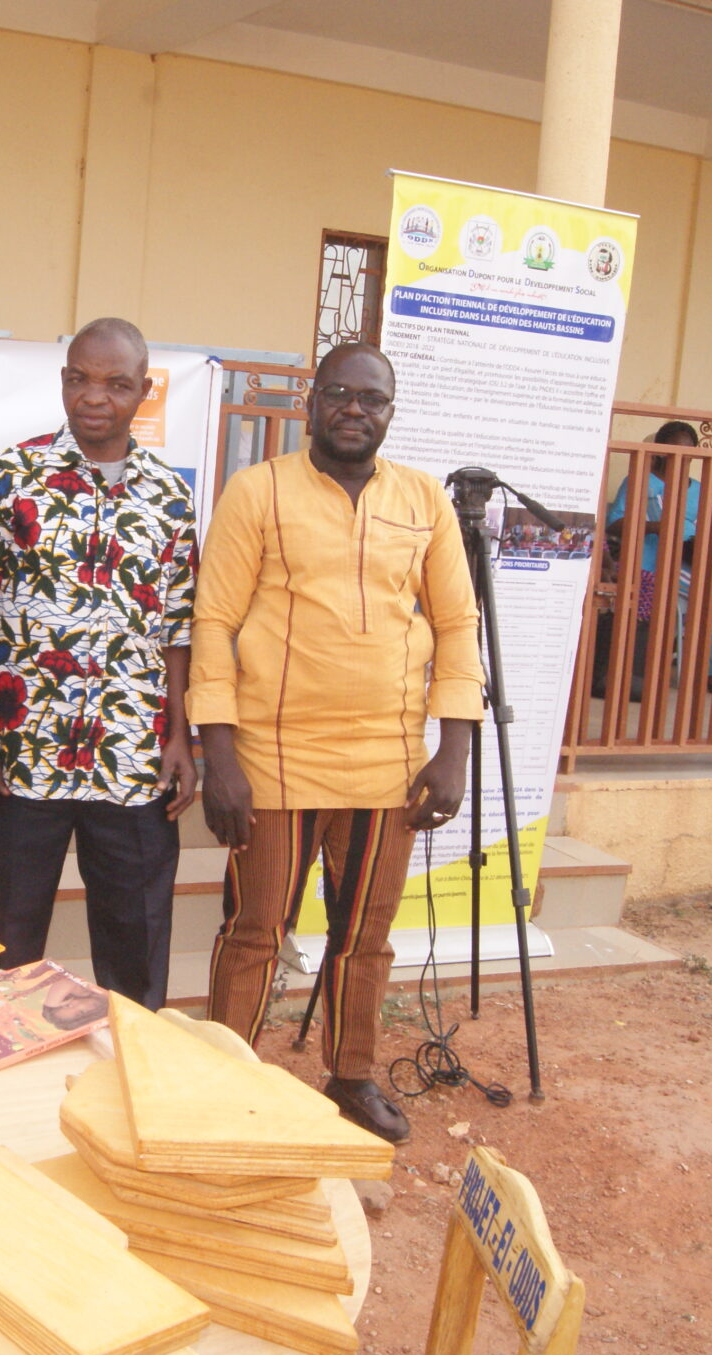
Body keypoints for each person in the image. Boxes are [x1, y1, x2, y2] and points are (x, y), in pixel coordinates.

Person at [188, 341, 484, 1143]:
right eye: (341, 393)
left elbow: (458, 622)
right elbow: (212, 622)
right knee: (256, 928)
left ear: (391, 412)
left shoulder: (424, 500)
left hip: (388, 763)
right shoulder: (257, 492)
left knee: (366, 934)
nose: (356, 408)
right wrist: (219, 753)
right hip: (274, 759)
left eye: (374, 398)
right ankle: (227, 1074)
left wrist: (453, 746)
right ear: (311, 403)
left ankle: (350, 1075)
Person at [0, 318, 197, 1009]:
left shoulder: (170, 498)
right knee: (5, 950)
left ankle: (125, 1084)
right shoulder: (7, 476)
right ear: (63, 381)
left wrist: (180, 735)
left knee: (135, 955)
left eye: (117, 384)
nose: (96, 396)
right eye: (81, 378)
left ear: (143, 392)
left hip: (132, 762)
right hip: (22, 759)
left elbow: (178, 626)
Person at [594, 421, 702, 700]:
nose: (681, 458)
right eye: (673, 450)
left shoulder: (698, 489)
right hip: (648, 562)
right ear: (659, 451)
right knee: (710, 594)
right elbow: (613, 523)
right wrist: (655, 526)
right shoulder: (640, 481)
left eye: (688, 452)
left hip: (689, 559)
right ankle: (637, 677)